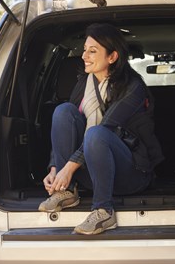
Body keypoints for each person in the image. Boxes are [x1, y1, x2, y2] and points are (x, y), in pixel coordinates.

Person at [39, 22, 163, 235]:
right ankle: (66, 192)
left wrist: (67, 169)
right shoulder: (84, 83)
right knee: (63, 111)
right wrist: (55, 169)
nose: (84, 55)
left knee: (97, 133)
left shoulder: (133, 88)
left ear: (112, 57)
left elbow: (106, 127)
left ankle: (103, 210)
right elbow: (66, 130)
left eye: (93, 51)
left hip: (130, 173)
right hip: (93, 172)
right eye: (85, 49)